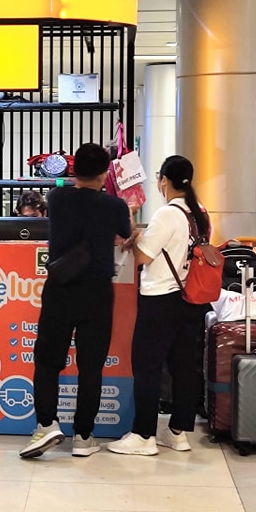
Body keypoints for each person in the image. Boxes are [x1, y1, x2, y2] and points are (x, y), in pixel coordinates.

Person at [19, 143, 133, 459]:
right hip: (97, 292)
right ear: (104, 173)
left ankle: (46, 425)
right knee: (91, 367)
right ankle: (83, 437)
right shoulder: (114, 206)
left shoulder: (57, 198)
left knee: (47, 360)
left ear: (74, 170)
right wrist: (130, 208)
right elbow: (126, 233)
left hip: (60, 287)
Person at [107, 154, 210, 456]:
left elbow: (143, 257)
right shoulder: (200, 212)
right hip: (191, 299)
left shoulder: (167, 214)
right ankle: (178, 433)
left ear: (164, 180)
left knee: (147, 367)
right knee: (184, 368)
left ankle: (143, 435)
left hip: (160, 300)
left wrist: (134, 229)